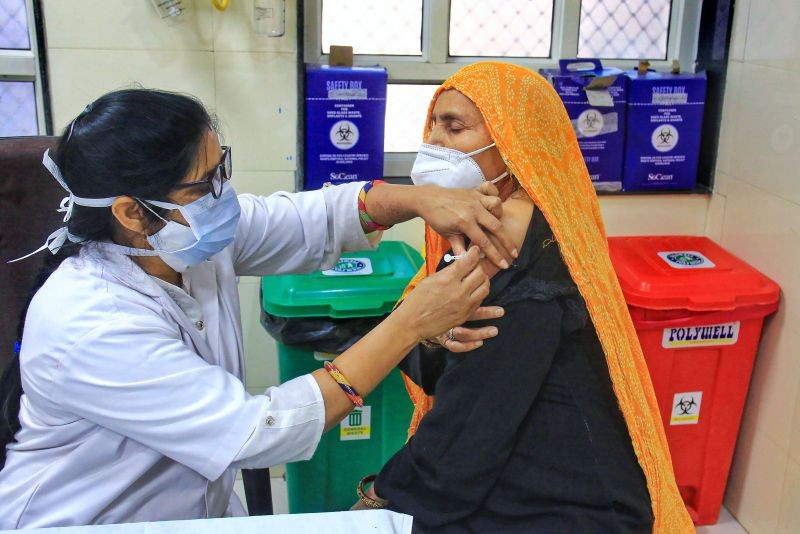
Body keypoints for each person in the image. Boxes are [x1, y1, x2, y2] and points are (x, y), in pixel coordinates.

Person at [0, 88, 517, 528]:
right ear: (132, 213)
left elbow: (312, 219)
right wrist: (407, 325)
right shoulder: (93, 323)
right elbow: (261, 432)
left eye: (220, 167)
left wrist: (417, 198)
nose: (223, 195)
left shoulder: (182, 239)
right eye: (204, 184)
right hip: (87, 522)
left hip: (190, 510)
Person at [355, 63, 694, 533]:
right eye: (432, 125)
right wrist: (432, 335)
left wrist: (381, 493)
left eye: (454, 128)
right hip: (514, 480)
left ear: (515, 144)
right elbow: (434, 369)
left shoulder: (512, 250)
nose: (433, 143)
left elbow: (469, 430)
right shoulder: (480, 232)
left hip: (570, 509)